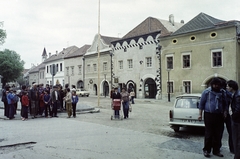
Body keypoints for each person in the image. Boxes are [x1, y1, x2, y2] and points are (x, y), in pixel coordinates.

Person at [198, 77, 227, 157]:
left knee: (218, 134)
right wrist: (200, 114)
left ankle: (216, 150)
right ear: (212, 85)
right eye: (215, 85)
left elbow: (225, 104)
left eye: (218, 85)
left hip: (219, 115)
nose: (216, 86)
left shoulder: (222, 92)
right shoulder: (206, 92)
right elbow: (201, 104)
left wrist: (225, 112)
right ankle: (206, 150)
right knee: (209, 133)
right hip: (209, 115)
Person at [226, 80, 240, 159]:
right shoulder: (235, 94)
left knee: (237, 139)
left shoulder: (237, 95)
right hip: (236, 120)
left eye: (228, 86)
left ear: (232, 87)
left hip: (237, 121)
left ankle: (237, 156)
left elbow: (238, 109)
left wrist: (233, 117)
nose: (226, 87)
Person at [222, 80, 234, 153]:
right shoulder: (227, 93)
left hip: (226, 114)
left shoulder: (227, 93)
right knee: (230, 132)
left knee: (230, 132)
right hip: (223, 114)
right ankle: (232, 149)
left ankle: (232, 148)